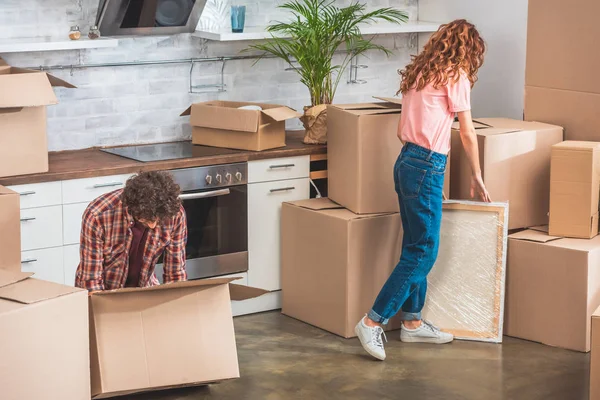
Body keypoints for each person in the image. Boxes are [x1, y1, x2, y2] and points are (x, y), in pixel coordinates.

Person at [355, 19, 492, 361]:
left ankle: (412, 324)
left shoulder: (421, 72)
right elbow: (467, 131)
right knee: (424, 251)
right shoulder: (455, 74)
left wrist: (434, 175)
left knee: (414, 244)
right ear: (469, 50)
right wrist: (475, 174)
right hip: (426, 164)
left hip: (408, 161)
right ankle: (373, 321)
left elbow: (413, 131)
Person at [75, 171, 188, 291]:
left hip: (145, 290)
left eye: (158, 220)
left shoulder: (175, 214)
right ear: (132, 207)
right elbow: (91, 281)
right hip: (104, 292)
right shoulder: (97, 216)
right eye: (147, 219)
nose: (153, 225)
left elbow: (175, 275)